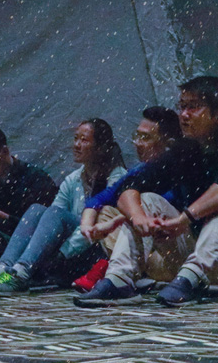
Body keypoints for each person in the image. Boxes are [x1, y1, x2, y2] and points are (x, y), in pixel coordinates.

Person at [75, 76, 218, 307]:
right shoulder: (185, 150)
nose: (184, 115)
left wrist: (185, 218)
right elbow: (130, 186)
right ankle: (119, 280)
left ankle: (190, 278)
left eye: (193, 107)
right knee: (146, 199)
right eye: (182, 106)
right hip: (209, 257)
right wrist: (139, 218)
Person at [0, 119, 128, 296]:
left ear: (100, 148)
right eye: (75, 138)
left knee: (56, 213)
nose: (76, 145)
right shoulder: (74, 179)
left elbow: (99, 228)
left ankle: (21, 273)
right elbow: (50, 219)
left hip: (95, 252)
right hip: (67, 252)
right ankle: (3, 269)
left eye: (84, 140)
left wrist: (61, 253)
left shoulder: (117, 178)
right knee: (37, 210)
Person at [71, 107, 182, 291]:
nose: (137, 143)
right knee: (104, 212)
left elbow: (157, 212)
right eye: (137, 136)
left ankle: (120, 275)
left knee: (144, 201)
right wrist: (87, 226)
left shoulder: (180, 168)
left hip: (171, 255)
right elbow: (99, 199)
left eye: (145, 138)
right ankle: (130, 274)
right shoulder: (140, 170)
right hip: (146, 256)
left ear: (167, 144)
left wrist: (125, 218)